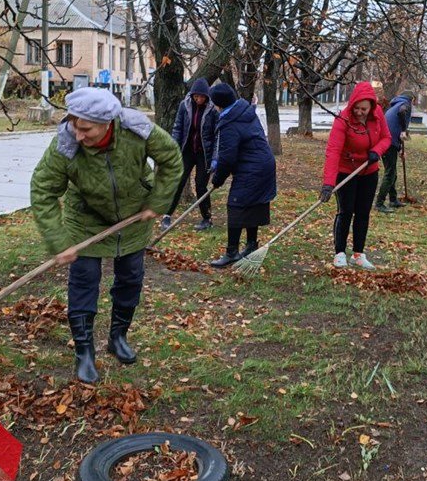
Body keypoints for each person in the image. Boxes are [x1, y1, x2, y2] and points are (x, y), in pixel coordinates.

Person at [30, 87, 182, 383]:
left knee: (130, 277)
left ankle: (118, 337)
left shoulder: (136, 130)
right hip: (85, 220)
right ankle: (84, 352)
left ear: (107, 123)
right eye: (75, 126)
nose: (78, 135)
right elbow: (43, 190)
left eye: (86, 129)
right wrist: (59, 242)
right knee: (84, 281)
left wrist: (158, 202)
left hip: (134, 217)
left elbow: (172, 159)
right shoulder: (66, 145)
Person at [320, 81, 391, 270]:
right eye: (357, 108)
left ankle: (358, 253)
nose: (360, 112)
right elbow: (333, 151)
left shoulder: (377, 116)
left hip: (369, 171)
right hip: (346, 172)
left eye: (364, 109)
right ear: (352, 105)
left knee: (363, 212)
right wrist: (328, 183)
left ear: (371, 107)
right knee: (346, 210)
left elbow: (386, 138)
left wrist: (377, 150)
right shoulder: (343, 119)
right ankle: (340, 253)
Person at [207, 82, 277, 268]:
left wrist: (217, 179)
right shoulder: (243, 112)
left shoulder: (229, 122)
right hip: (264, 164)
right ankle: (251, 245)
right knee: (252, 204)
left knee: (236, 204)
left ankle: (232, 252)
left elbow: (228, 158)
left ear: (218, 104)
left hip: (253, 167)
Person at [162, 78, 217, 232]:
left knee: (201, 185)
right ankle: (167, 216)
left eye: (201, 96)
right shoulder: (184, 106)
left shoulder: (212, 110)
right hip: (187, 151)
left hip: (204, 153)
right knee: (178, 182)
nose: (198, 99)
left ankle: (207, 218)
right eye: (196, 96)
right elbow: (178, 128)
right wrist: (174, 149)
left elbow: (216, 135)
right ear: (192, 95)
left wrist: (214, 158)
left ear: (206, 96)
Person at [375, 92, 414, 213]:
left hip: (386, 141)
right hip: (388, 142)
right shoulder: (405, 104)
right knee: (390, 173)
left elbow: (394, 124)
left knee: (392, 173)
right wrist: (403, 129)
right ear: (412, 99)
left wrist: (400, 148)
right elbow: (402, 112)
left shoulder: (394, 104)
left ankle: (393, 199)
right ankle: (379, 203)